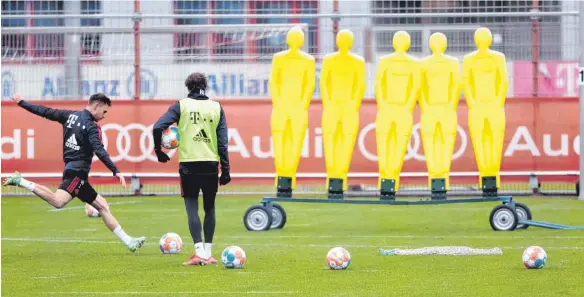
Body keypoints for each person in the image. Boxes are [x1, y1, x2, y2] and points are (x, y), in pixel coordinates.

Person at [2, 93, 146, 252]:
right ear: (96, 106)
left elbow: (44, 111)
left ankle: (129, 241)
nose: (104, 116)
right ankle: (21, 181)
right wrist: (115, 170)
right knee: (58, 201)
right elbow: (99, 149)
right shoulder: (91, 125)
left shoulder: (69, 116)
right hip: (77, 173)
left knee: (103, 206)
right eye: (104, 112)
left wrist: (22, 102)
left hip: (75, 172)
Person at [153, 72, 231, 266]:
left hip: (188, 164)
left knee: (191, 208)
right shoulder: (216, 107)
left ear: (188, 87)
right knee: (210, 208)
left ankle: (198, 253)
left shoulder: (181, 106)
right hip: (211, 164)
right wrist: (226, 170)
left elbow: (157, 127)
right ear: (205, 86)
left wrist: (159, 151)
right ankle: (209, 253)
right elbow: (223, 143)